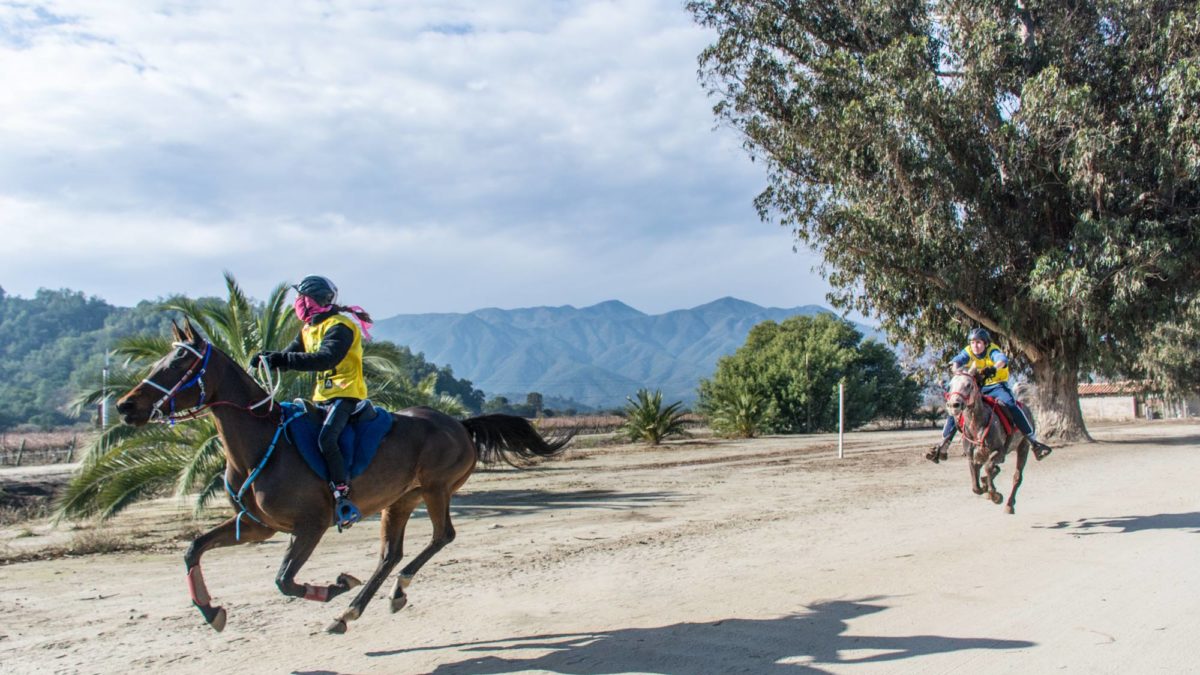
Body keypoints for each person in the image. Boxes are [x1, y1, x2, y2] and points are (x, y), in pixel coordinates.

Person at [251, 275, 374, 529]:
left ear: (311, 300)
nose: (297, 303)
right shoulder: (308, 329)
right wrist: (267, 360)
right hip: (322, 397)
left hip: (346, 393)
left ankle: (342, 494)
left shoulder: (340, 326)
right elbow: (290, 356)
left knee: (327, 437)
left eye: (299, 298)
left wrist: (280, 360)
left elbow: (325, 359)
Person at [927, 328, 1052, 463]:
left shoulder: (993, 350)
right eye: (972, 342)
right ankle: (944, 445)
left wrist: (994, 368)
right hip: (978, 388)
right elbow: (956, 361)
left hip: (997, 386)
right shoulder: (968, 351)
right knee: (955, 410)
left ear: (986, 343)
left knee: (1011, 405)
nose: (975, 345)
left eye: (979, 342)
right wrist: (956, 369)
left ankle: (1033, 442)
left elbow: (1002, 360)